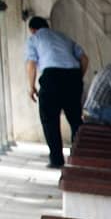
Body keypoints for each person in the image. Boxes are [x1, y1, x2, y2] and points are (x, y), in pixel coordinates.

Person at [24, 15, 89, 169]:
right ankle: (79, 156)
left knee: (49, 120)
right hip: (73, 77)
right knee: (75, 119)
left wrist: (31, 86)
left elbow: (31, 63)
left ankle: (57, 160)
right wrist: (77, 77)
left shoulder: (34, 39)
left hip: (52, 78)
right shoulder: (64, 37)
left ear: (33, 30)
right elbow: (84, 59)